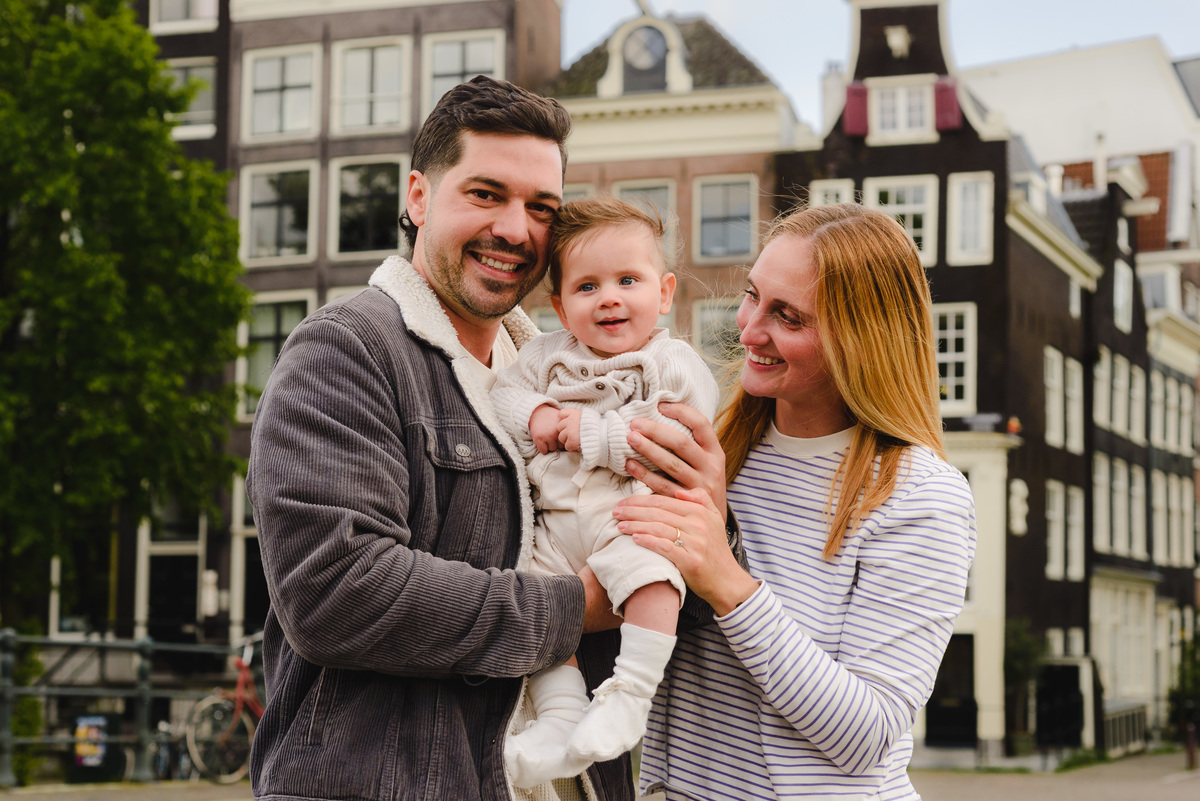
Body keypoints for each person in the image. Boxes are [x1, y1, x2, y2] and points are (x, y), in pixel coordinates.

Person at [245, 75, 675, 801]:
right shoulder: (345, 352)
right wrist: (576, 606)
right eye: (485, 194)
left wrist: (698, 506)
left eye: (541, 207)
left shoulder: (561, 374)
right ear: (417, 197)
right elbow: (336, 592)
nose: (516, 228)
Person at [611, 202, 978, 800]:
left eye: (788, 317)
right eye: (754, 295)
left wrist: (726, 580)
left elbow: (866, 736)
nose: (750, 329)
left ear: (862, 340)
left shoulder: (919, 495)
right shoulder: (714, 446)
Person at [490, 197, 720, 788]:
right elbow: (502, 399)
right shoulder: (543, 356)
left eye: (628, 280)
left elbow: (677, 435)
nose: (610, 297)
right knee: (536, 598)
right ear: (561, 307)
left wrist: (592, 435)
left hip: (629, 511)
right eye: (587, 287)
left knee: (652, 574)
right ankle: (560, 715)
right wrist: (539, 413)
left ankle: (630, 692)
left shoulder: (671, 362)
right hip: (557, 521)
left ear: (664, 293)